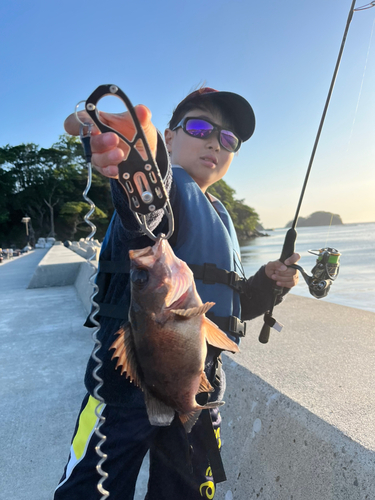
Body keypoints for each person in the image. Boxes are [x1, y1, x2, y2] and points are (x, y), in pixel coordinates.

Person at [56, 86, 300, 500]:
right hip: (123, 392)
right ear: (169, 138)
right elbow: (146, 204)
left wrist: (265, 285)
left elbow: (230, 309)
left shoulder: (220, 215)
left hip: (197, 394)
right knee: (88, 491)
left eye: (228, 139)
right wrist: (139, 151)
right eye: (201, 126)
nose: (214, 141)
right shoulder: (163, 192)